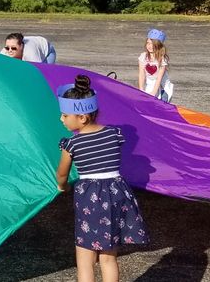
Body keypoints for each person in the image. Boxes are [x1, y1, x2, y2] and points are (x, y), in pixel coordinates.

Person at [54, 75, 148, 282]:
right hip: (117, 193)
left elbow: (62, 173)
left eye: (64, 115)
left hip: (91, 197)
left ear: (82, 117)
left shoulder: (72, 144)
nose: (61, 119)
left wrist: (62, 186)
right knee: (108, 258)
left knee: (85, 258)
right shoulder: (114, 133)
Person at [138, 29, 173, 102]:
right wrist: (141, 89)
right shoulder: (143, 57)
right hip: (150, 84)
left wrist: (153, 93)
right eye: (148, 43)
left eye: (153, 44)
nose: (150, 46)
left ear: (158, 46)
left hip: (162, 86)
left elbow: (159, 79)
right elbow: (141, 74)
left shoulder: (161, 60)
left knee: (162, 104)